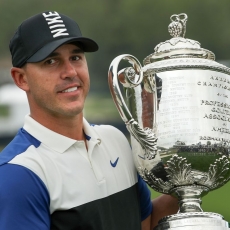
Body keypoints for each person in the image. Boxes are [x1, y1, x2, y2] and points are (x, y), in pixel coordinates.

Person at [0, 11, 178, 230]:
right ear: (21, 78)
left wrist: (189, 186)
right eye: (51, 61)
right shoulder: (19, 173)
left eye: (75, 57)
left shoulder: (116, 141)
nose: (70, 71)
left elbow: (145, 225)